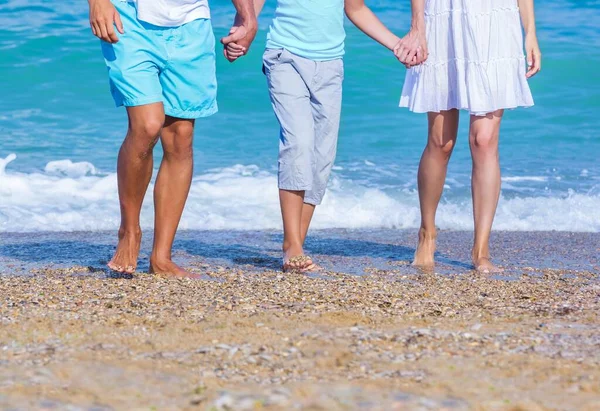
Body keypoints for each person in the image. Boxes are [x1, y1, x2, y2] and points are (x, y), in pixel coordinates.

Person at [225, 0, 402, 271]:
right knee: (299, 143)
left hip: (331, 67)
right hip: (285, 58)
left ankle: (295, 245)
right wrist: (242, 31)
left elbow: (355, 8)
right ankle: (293, 246)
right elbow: (253, 4)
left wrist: (396, 45)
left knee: (322, 160)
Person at [88, 0, 257, 276]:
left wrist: (246, 16)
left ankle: (161, 257)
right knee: (147, 126)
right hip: (128, 19)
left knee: (181, 136)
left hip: (192, 25)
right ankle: (129, 231)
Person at [395, 0, 542, 273]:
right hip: (443, 16)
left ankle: (481, 249)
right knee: (441, 141)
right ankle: (427, 233)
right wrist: (418, 25)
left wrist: (530, 31)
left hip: (495, 21)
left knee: (484, 140)